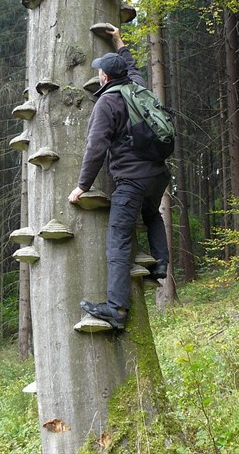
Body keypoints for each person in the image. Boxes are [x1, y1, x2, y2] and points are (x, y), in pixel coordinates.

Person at [68, 24, 170, 329]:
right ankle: (160, 263)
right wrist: (119, 41)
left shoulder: (107, 102)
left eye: (101, 70)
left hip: (131, 180)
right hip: (159, 174)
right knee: (153, 214)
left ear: (104, 76)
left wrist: (81, 186)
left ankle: (116, 309)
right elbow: (133, 66)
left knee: (118, 240)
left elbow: (96, 147)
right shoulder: (137, 86)